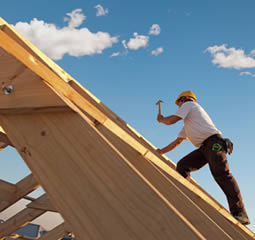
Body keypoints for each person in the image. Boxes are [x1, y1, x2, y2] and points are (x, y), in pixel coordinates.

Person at [156, 90, 250, 225]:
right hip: (204, 147)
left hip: (214, 143)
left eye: (179, 104)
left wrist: (162, 119)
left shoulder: (190, 105)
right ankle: (184, 196)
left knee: (221, 174)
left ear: (184, 100)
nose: (179, 107)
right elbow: (176, 142)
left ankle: (240, 212)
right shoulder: (189, 123)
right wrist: (160, 152)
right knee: (183, 166)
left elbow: (170, 121)